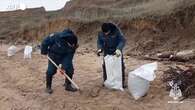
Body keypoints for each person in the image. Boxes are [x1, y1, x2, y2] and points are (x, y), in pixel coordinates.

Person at [41, 29, 79, 94]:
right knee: (51, 71)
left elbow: (69, 57)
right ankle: (48, 87)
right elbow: (45, 42)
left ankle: (68, 85)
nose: (71, 46)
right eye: (70, 45)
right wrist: (44, 51)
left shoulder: (73, 44)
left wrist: (64, 68)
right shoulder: (55, 36)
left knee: (70, 70)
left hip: (65, 56)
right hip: (53, 55)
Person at [97, 22, 126, 88]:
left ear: (110, 29)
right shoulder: (101, 33)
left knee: (120, 66)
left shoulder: (116, 31)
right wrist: (100, 49)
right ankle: (106, 81)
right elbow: (99, 42)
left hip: (116, 51)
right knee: (105, 66)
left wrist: (119, 49)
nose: (105, 34)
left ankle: (121, 82)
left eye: (107, 32)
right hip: (107, 51)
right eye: (104, 33)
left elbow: (122, 40)